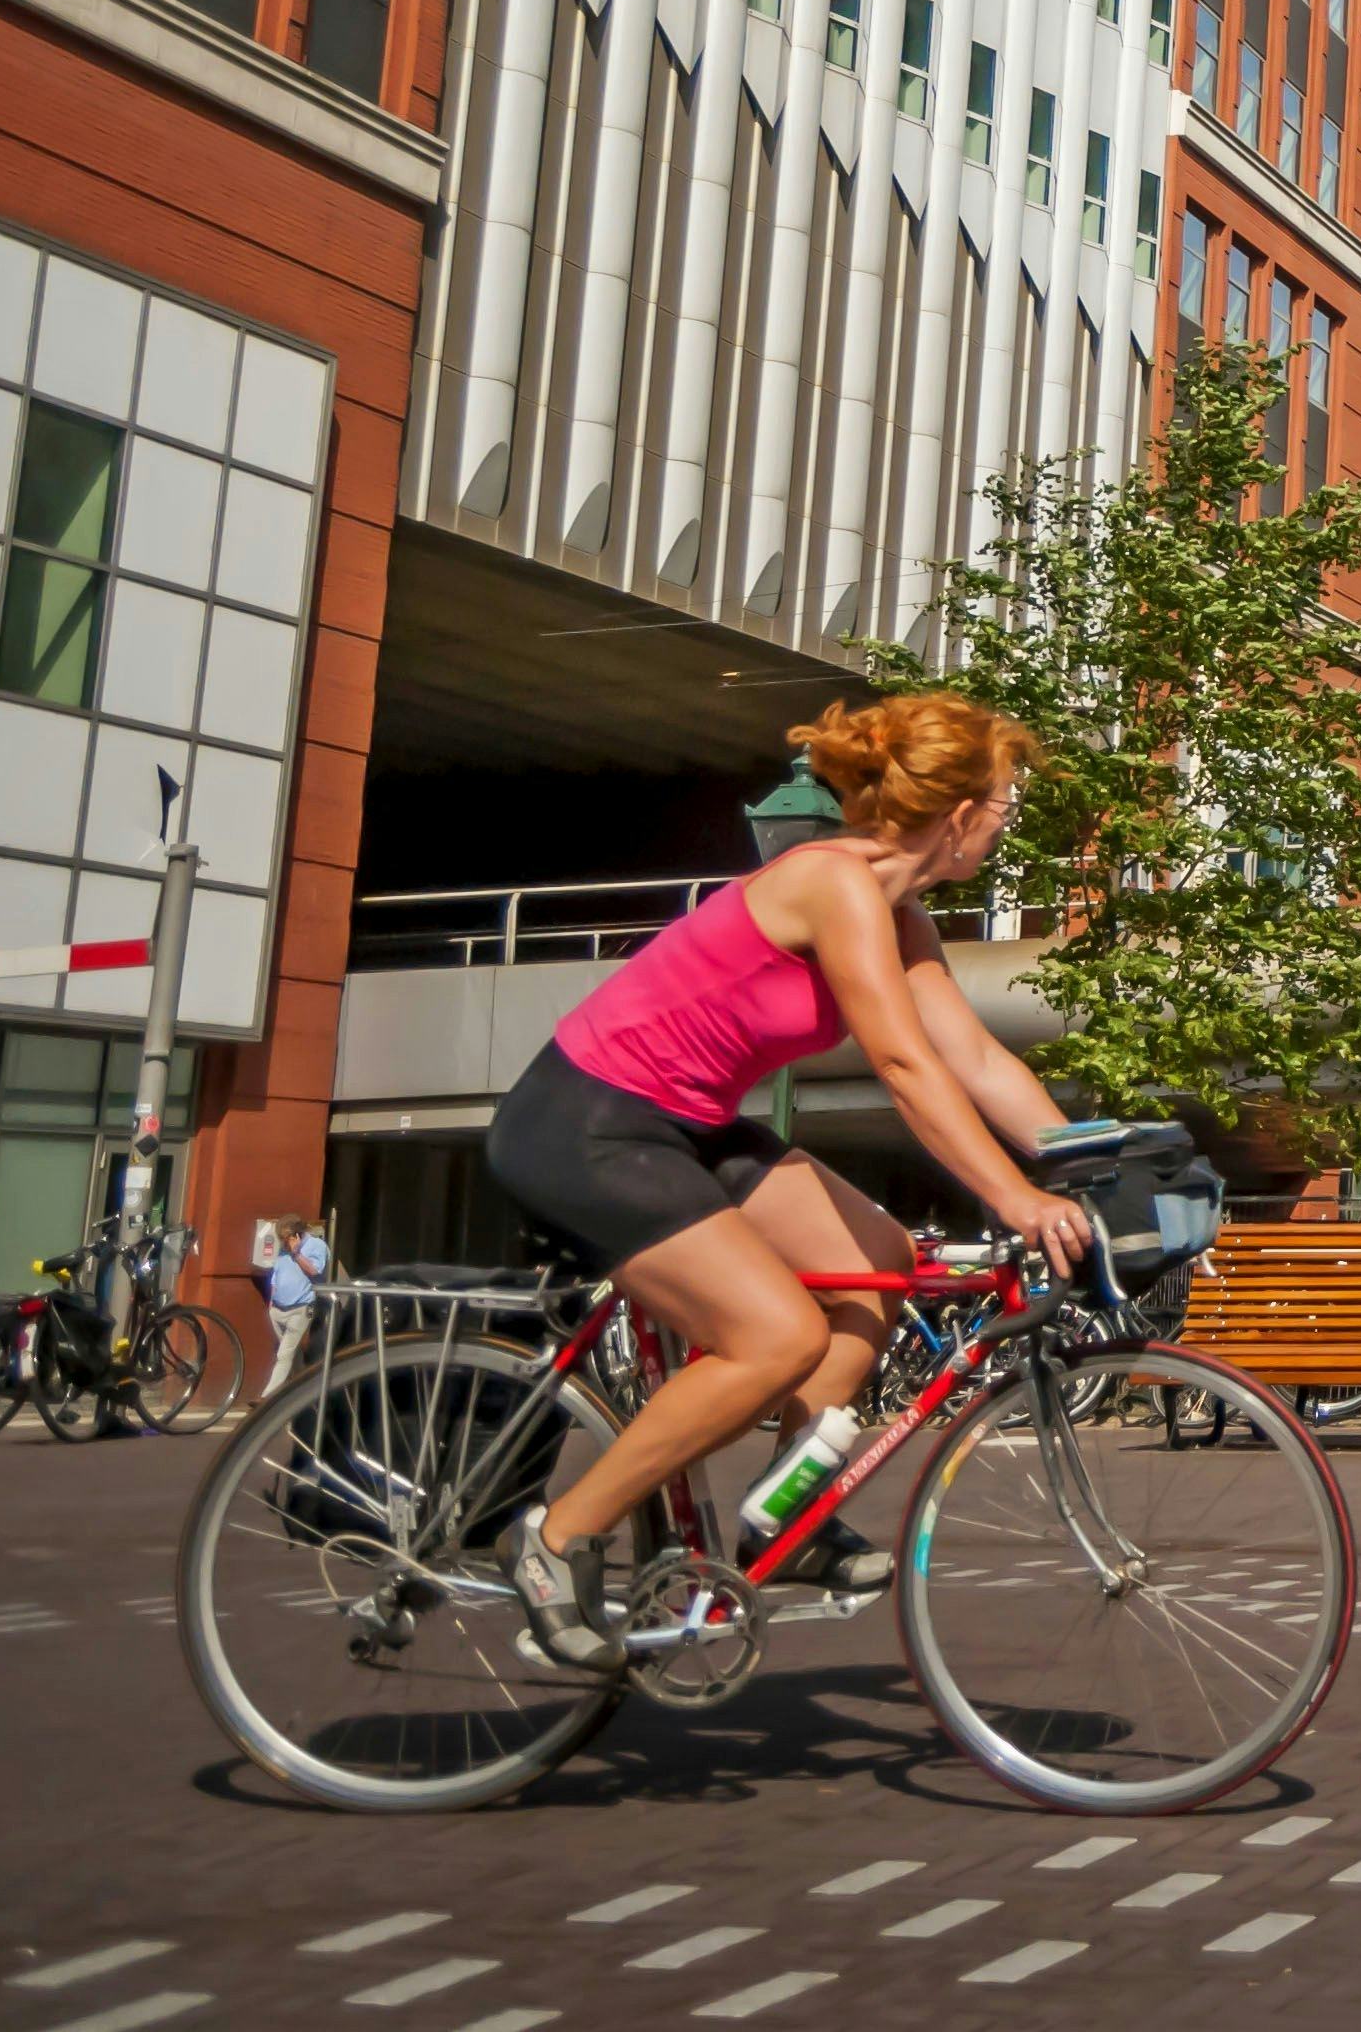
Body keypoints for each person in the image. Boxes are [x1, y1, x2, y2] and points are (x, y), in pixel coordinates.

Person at [481, 692, 1095, 1672]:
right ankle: (556, 1538)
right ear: (961, 810)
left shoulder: (902, 916)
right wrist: (1015, 1196)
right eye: (1006, 796)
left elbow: (973, 1058)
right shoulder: (831, 884)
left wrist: (1090, 1159)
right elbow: (904, 1067)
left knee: (877, 1267)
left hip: (682, 1124)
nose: (1010, 814)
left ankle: (788, 1516)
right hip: (586, 1122)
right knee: (774, 1336)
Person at [256, 1217, 332, 1395]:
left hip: (300, 1307)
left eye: (286, 1238)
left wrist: (297, 1254)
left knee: (284, 1354)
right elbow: (277, 1273)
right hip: (277, 1309)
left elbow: (315, 1271)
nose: (283, 1242)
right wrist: (271, 1301)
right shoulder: (283, 1250)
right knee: (292, 1356)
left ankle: (267, 1398)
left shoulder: (316, 1246)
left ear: (297, 1235)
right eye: (280, 1239)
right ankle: (301, 1396)